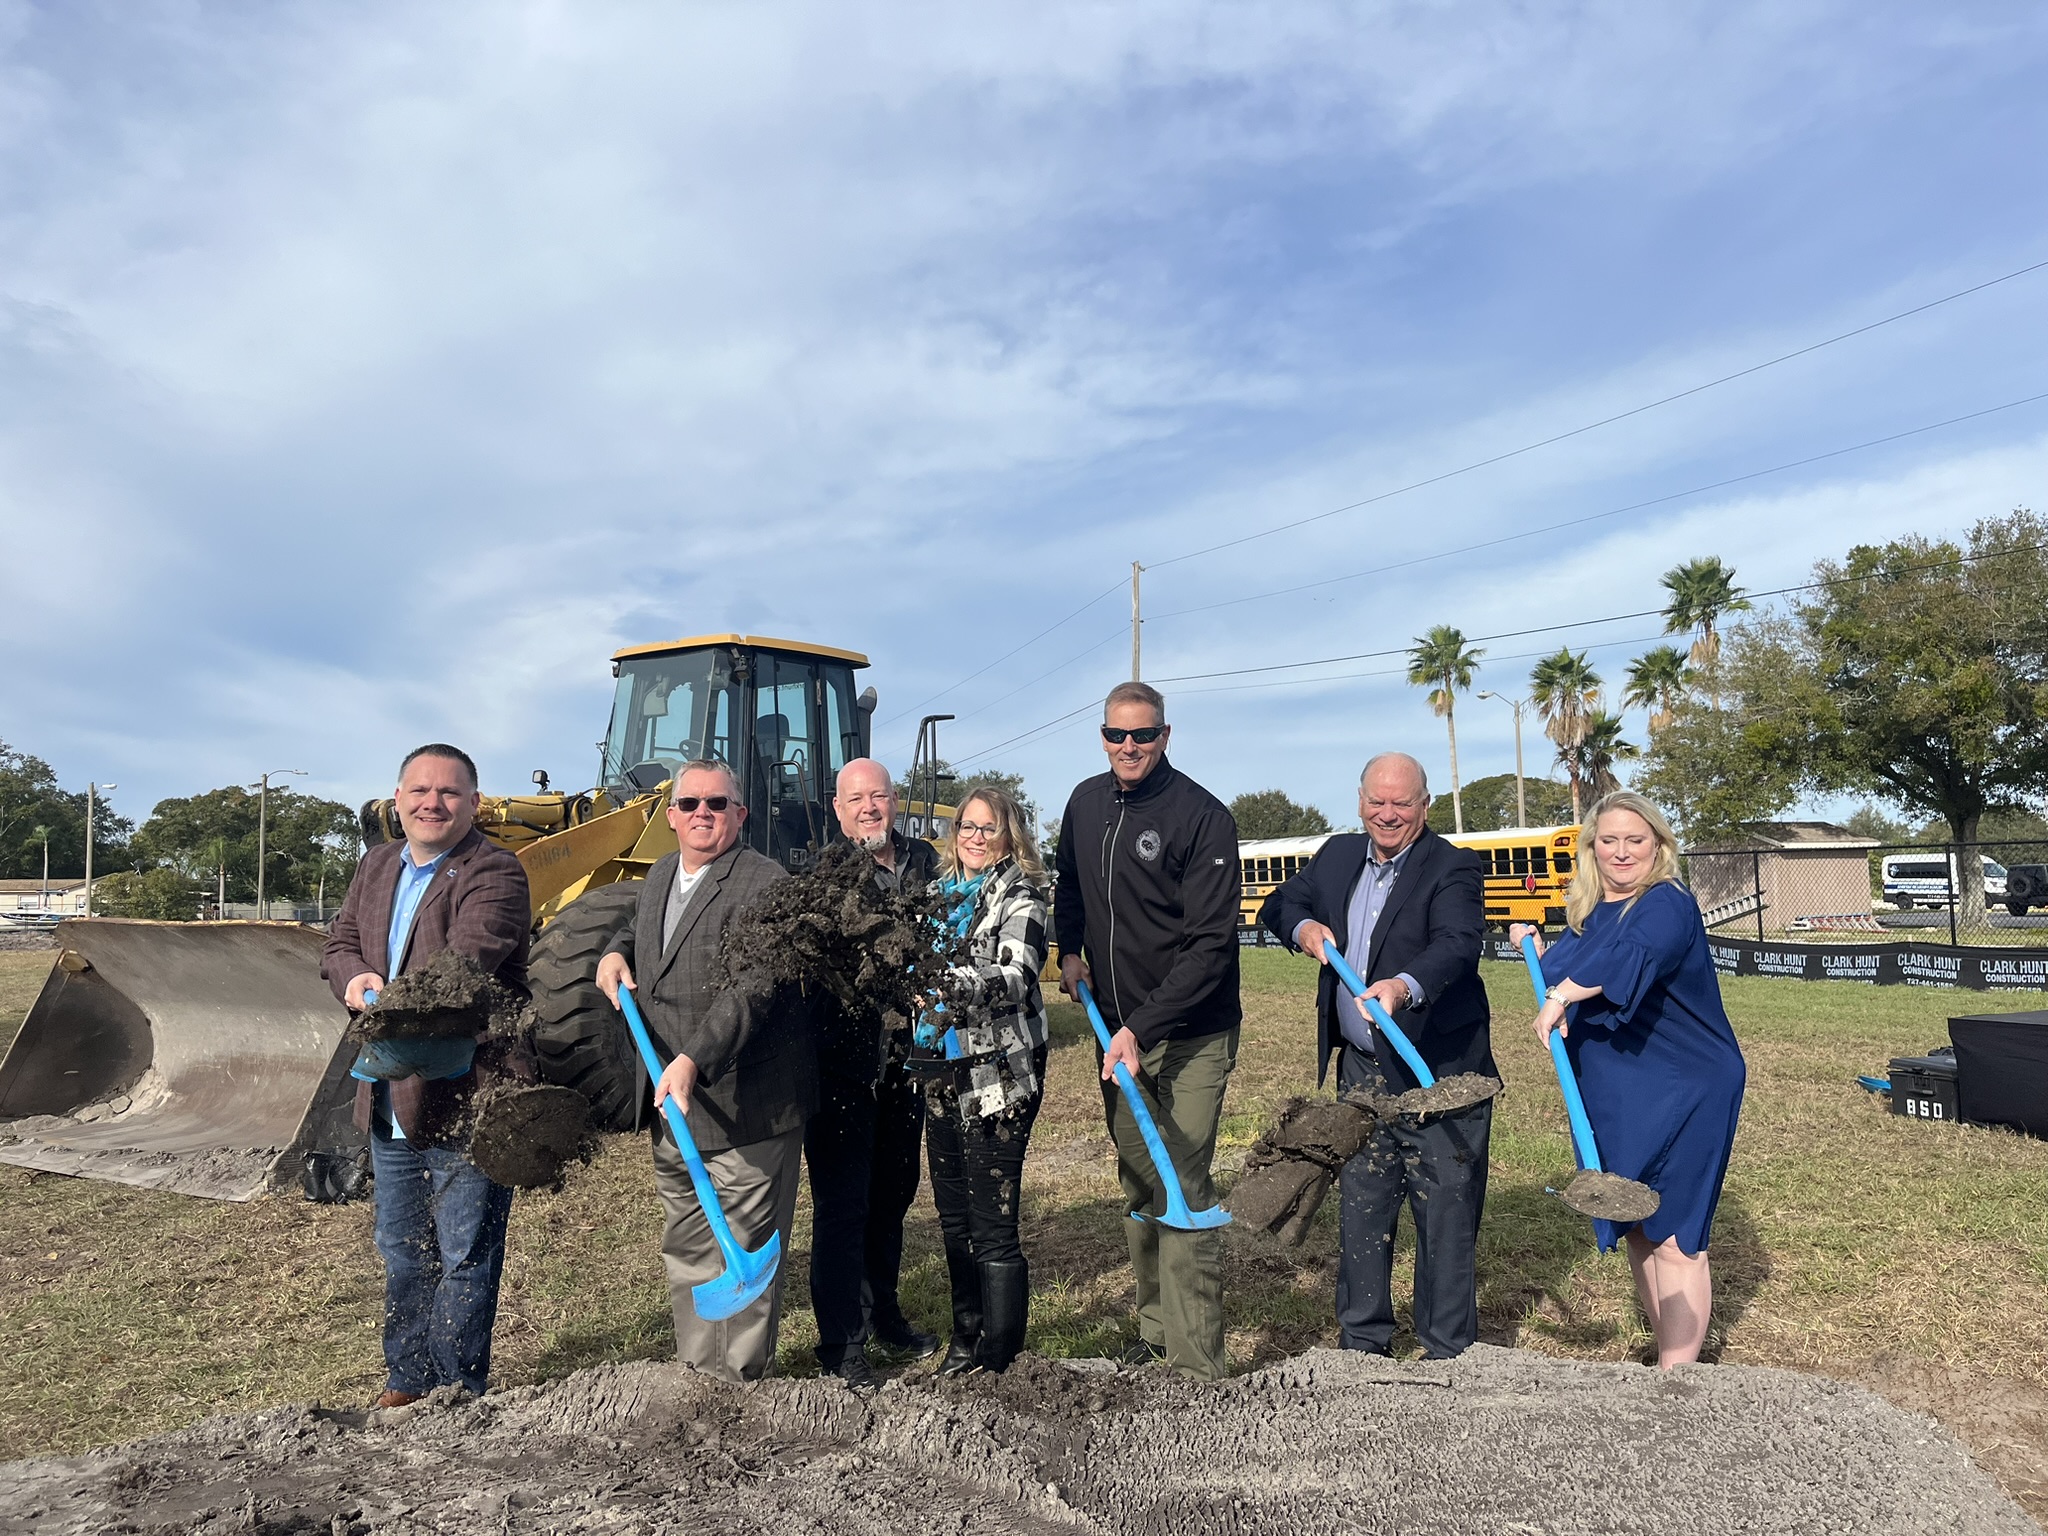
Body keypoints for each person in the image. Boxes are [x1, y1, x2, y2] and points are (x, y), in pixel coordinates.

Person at [1260, 752, 1494, 1359]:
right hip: (1361, 1074)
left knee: (1444, 1214)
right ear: (1360, 800)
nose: (1387, 815)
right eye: (1376, 802)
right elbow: (1279, 905)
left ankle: (1448, 1353)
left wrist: (1403, 985)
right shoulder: (1339, 854)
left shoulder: (1453, 866)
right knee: (1363, 1209)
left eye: (1402, 803)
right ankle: (1363, 1344)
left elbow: (1458, 943)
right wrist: (1303, 928)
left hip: (1438, 1073)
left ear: (1425, 805)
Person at [322, 743, 531, 1409]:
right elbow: (339, 943)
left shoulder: (495, 870)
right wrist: (355, 978)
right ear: (397, 798)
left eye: (447, 792)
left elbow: (462, 965)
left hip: (468, 1093)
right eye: (419, 790)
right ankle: (406, 1382)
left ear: (473, 803)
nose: (431, 803)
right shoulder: (377, 864)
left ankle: (455, 1390)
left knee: (465, 1251)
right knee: (404, 1250)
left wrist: (382, 999)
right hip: (388, 1091)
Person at [595, 759, 816, 1383]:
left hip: (745, 1103)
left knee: (742, 1248)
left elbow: (756, 985)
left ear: (739, 815)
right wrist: (614, 950)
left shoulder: (764, 882)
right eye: (689, 803)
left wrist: (694, 1059)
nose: (702, 814)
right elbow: (635, 925)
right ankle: (697, 1378)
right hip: (675, 1102)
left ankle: (740, 1387)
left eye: (717, 804)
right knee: (690, 1244)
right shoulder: (663, 871)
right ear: (670, 816)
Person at [1513, 790, 1746, 1369]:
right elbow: (1581, 964)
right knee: (1638, 1224)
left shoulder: (1666, 903)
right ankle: (1670, 1356)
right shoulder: (1590, 915)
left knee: (1675, 1235)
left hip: (1682, 1086)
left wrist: (1564, 991)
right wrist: (1541, 954)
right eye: (1608, 840)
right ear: (1591, 848)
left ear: (1658, 846)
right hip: (1620, 1095)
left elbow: (1635, 956)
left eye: (1635, 840)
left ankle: (1679, 1375)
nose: (1621, 852)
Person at [1054, 681, 1241, 1380]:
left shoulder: (1202, 817)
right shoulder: (1085, 802)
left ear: (1165, 735)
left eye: (1142, 735)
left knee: (1182, 1183)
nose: (1127, 748)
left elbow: (1210, 946)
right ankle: (1157, 1333)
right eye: (1115, 736)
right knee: (1139, 1181)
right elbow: (1068, 883)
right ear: (1102, 736)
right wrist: (1070, 948)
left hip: (1190, 1033)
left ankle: (1198, 1368)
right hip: (1118, 1032)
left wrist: (1141, 1027)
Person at [805, 757, 942, 1386]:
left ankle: (883, 1313)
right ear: (838, 810)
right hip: (842, 1068)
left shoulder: (926, 866)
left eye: (879, 796)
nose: (869, 807)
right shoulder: (819, 879)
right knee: (842, 1204)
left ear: (895, 801)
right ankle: (841, 1343)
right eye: (856, 799)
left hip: (906, 1066)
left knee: (893, 1195)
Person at [918, 785, 1051, 1376]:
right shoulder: (936, 894)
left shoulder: (1020, 894)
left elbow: (1017, 975)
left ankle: (1001, 1360)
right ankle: (964, 1337)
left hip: (998, 1078)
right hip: (941, 1072)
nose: (974, 837)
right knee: (953, 1216)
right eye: (967, 827)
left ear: (1009, 835)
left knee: (992, 1223)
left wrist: (944, 984)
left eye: (987, 828)